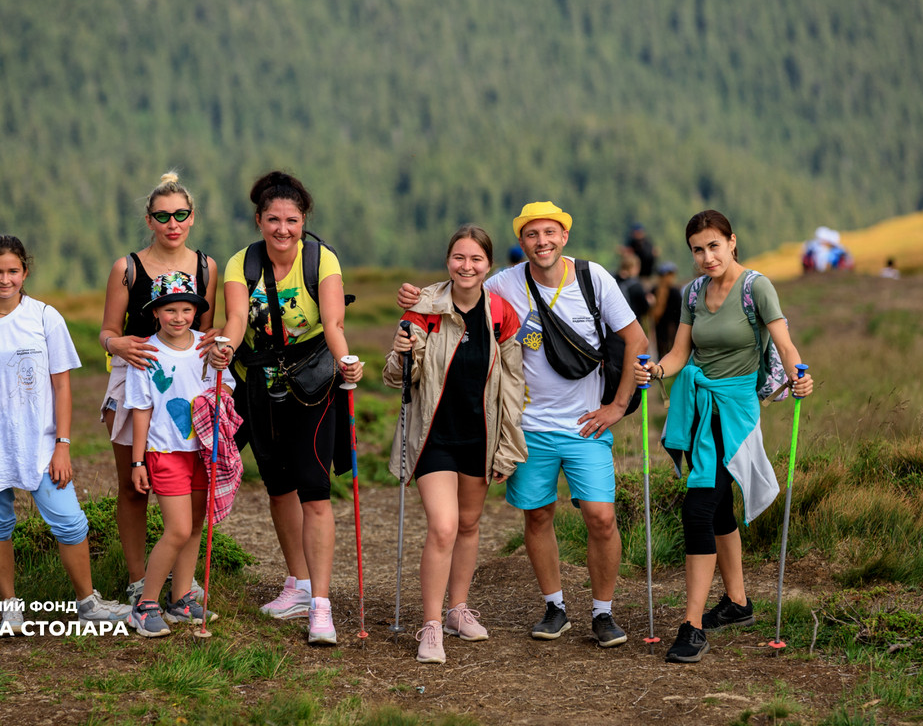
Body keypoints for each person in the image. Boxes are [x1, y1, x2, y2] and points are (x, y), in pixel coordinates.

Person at [398, 202, 647, 646]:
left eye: (550, 232)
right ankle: (554, 608)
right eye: (532, 235)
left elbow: (636, 340)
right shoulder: (505, 284)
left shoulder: (594, 279)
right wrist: (415, 300)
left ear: (564, 235)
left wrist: (619, 405)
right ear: (521, 242)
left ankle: (603, 613)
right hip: (528, 427)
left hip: (587, 424)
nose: (542, 242)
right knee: (537, 516)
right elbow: (459, 288)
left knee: (602, 518)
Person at [0, 235, 131, 632]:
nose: (4, 279)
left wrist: (62, 445)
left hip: (41, 443)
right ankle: (10, 605)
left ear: (25, 272)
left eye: (13, 271)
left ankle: (87, 602)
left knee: (70, 523)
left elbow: (62, 387)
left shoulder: (45, 317)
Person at [633, 210, 814, 663]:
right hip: (699, 410)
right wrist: (656, 370)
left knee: (698, 508)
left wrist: (798, 377)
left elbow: (785, 344)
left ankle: (691, 626)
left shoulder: (757, 288)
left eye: (714, 245)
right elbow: (679, 352)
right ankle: (737, 604)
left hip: (735, 414)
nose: (706, 256)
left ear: (732, 242)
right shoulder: (693, 292)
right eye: (697, 249)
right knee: (718, 508)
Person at [208, 170, 363, 646]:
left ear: (303, 221)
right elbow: (235, 321)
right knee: (278, 488)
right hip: (260, 383)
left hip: (315, 381)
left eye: (291, 220)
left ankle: (321, 605)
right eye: (273, 220)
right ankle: (296, 584)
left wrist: (347, 362)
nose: (282, 229)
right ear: (258, 220)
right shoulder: (241, 264)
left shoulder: (322, 260)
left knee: (314, 491)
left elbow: (333, 323)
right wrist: (223, 349)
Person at [384, 225, 527, 664]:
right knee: (444, 527)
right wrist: (402, 348)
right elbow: (396, 378)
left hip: (479, 437)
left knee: (468, 525)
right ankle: (430, 627)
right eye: (459, 258)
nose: (466, 267)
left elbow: (513, 385)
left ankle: (457, 611)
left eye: (476, 260)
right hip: (432, 436)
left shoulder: (501, 313)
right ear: (449, 260)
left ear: (488, 265)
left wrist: (509, 447)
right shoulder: (424, 305)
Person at [97, 172, 218, 607]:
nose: (173, 223)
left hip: (185, 388)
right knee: (133, 485)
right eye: (163, 216)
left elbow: (204, 332)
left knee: (191, 486)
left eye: (181, 215)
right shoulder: (127, 268)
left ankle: (180, 585)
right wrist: (117, 344)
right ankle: (137, 579)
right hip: (134, 377)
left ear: (192, 218)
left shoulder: (206, 267)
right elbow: (107, 330)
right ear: (149, 220)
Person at [123, 272, 236, 637]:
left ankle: (182, 597)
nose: (178, 317)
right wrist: (138, 461)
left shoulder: (208, 348)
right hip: (164, 451)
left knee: (195, 526)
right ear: (156, 312)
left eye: (186, 309)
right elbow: (141, 409)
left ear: (196, 312)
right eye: (170, 310)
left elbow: (227, 389)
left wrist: (221, 390)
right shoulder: (147, 353)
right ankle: (145, 604)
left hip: (203, 451)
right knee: (178, 528)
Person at [650, 261, 683, 359]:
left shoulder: (653, 290)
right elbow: (680, 312)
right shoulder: (674, 292)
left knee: (661, 351)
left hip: (659, 327)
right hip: (672, 328)